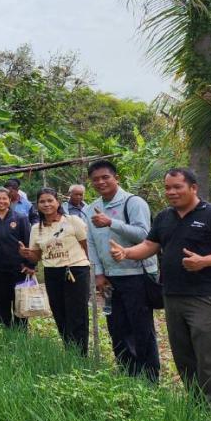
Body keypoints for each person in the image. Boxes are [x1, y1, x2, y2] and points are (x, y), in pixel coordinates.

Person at [110, 168, 211, 405]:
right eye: (167, 187)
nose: (171, 192)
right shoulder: (164, 217)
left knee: (207, 354)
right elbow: (150, 245)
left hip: (204, 296)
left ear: (193, 188)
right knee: (182, 353)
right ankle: (195, 400)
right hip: (171, 295)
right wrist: (126, 252)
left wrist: (204, 261)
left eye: (177, 187)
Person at [86, 159, 161, 382]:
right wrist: (98, 274)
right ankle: (127, 373)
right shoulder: (91, 208)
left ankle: (149, 378)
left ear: (116, 178)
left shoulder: (133, 203)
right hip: (110, 278)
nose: (101, 182)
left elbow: (146, 236)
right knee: (117, 327)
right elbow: (91, 243)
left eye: (105, 177)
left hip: (137, 275)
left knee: (141, 328)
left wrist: (111, 223)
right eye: (95, 179)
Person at [20, 187, 91, 354]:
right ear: (37, 205)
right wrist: (26, 254)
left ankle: (81, 354)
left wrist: (94, 270)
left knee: (77, 314)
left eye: (50, 200)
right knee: (59, 312)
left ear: (58, 202)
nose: (46, 204)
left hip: (76, 270)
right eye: (42, 202)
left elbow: (87, 246)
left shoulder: (73, 221)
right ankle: (69, 350)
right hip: (52, 272)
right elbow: (36, 257)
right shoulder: (36, 228)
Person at [0, 188, 32, 327]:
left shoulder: (20, 218)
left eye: (4, 198)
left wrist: (29, 265)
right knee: (2, 300)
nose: (1, 201)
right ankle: (6, 330)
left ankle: (21, 333)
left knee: (19, 302)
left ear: (10, 200)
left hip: (19, 268)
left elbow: (28, 243)